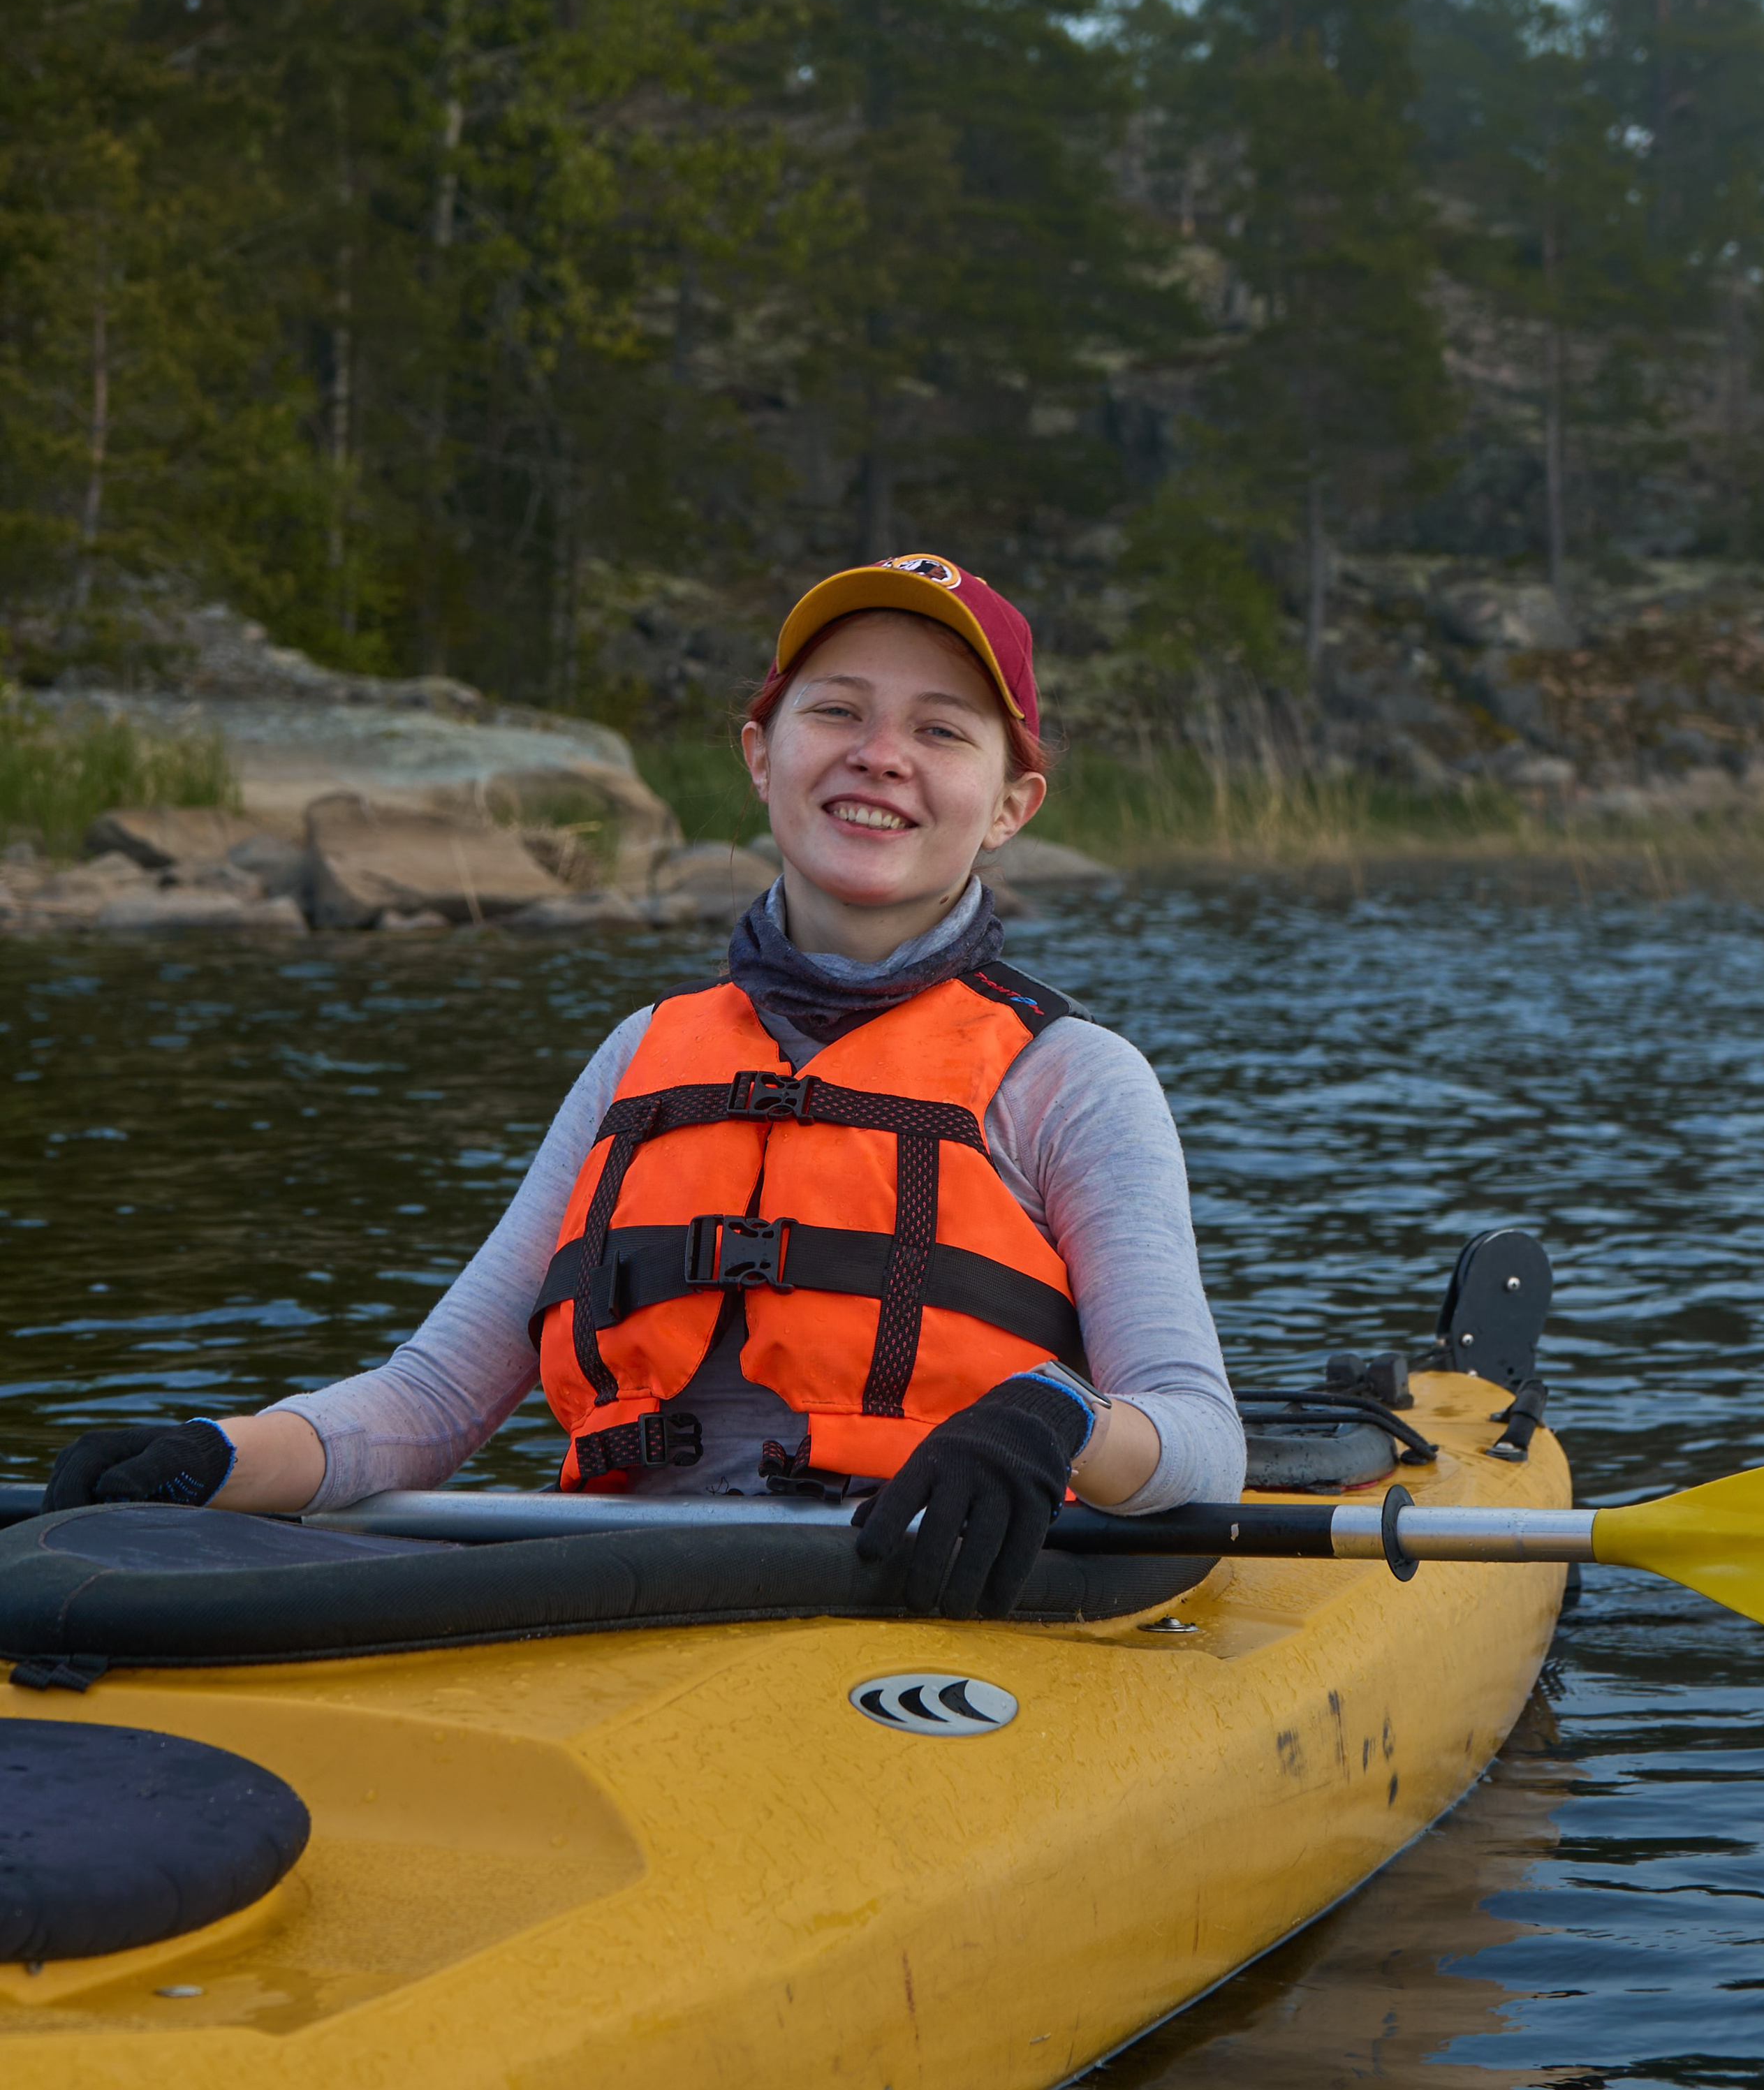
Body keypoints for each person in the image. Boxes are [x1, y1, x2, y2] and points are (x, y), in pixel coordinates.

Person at [45, 552, 1245, 1617]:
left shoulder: (1073, 1078)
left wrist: (1060, 1418)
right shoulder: (640, 1054)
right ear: (762, 757)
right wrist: (211, 1453)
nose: (881, 755)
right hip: (627, 1596)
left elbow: (1199, 1435)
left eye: (943, 731)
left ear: (1009, 808)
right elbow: (432, 1399)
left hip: (924, 1600)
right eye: (838, 711)